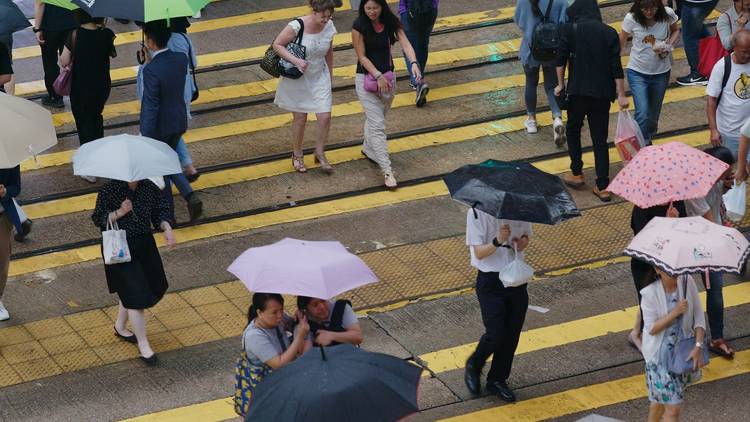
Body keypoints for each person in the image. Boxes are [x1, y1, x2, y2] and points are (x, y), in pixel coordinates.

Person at [91, 179, 175, 363]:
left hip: (145, 245)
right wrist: (120, 212)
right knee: (136, 297)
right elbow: (98, 218)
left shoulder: (148, 186)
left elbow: (160, 210)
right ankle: (144, 346)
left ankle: (120, 326)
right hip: (120, 248)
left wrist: (166, 228)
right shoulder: (110, 189)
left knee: (155, 286)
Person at [554, 0, 629, 202]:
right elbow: (616, 67)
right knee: (599, 139)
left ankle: (577, 172)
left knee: (573, 129)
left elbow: (560, 60)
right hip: (602, 94)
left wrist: (560, 85)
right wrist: (621, 94)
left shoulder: (569, 29)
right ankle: (603, 185)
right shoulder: (609, 32)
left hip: (577, 91)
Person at [352, 0, 422, 189]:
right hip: (366, 80)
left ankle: (368, 149)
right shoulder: (358, 26)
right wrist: (378, 75)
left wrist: (414, 63)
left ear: (382, 7)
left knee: (377, 118)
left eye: (375, 8)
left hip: (389, 80)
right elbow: (362, 56)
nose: (372, 12)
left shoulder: (391, 22)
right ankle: (387, 171)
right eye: (368, 8)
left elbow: (405, 44)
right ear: (363, 9)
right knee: (378, 126)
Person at [463, 209, 531, 402]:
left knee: (511, 335)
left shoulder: (521, 209)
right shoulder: (476, 213)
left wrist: (522, 243)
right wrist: (498, 240)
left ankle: (497, 380)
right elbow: (479, 253)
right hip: (490, 281)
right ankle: (474, 363)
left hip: (515, 280)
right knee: (495, 333)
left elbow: (526, 237)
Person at [140, 21, 202, 222]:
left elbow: (151, 105)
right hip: (178, 121)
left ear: (149, 41)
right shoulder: (179, 59)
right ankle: (190, 196)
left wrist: (146, 135)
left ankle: (167, 217)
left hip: (159, 127)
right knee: (169, 163)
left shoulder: (151, 71)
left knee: (162, 171)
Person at [272, 0, 337, 174]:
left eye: (329, 16)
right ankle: (297, 154)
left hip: (319, 75)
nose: (326, 20)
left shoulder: (329, 26)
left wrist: (330, 75)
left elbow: (329, 50)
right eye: (323, 16)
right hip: (297, 77)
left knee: (325, 116)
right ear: (314, 11)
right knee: (300, 118)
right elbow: (277, 45)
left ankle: (319, 151)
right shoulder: (296, 25)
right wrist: (296, 61)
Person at [684, 146, 736, 359]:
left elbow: (716, 206)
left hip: (712, 242)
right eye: (726, 172)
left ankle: (716, 337)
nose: (727, 175)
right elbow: (709, 220)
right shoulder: (694, 188)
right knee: (692, 294)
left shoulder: (713, 180)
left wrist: (724, 188)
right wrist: (727, 232)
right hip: (698, 247)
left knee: (715, 291)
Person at [641, 267, 706, 421]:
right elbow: (651, 328)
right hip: (658, 358)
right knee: (674, 408)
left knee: (659, 401)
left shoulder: (687, 281)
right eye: (667, 269)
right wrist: (675, 312)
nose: (674, 271)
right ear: (657, 270)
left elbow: (699, 317)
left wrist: (698, 346)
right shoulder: (649, 293)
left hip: (681, 354)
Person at [235, 293, 309, 417]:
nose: (280, 315)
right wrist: (300, 337)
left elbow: (292, 324)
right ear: (259, 313)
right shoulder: (254, 336)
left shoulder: (276, 320)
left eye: (282, 310)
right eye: (274, 312)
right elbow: (278, 363)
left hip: (282, 386)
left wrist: (298, 318)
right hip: (267, 394)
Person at [620, 0, 680, 146]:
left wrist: (668, 46)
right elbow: (621, 42)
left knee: (653, 116)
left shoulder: (668, 14)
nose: (648, 12)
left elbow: (675, 30)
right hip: (637, 72)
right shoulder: (631, 18)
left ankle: (646, 135)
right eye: (644, 9)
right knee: (642, 113)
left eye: (652, 8)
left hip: (661, 73)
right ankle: (642, 147)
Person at [628, 201, 686, 351]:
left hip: (670, 263)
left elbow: (685, 232)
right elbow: (645, 241)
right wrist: (667, 223)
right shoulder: (641, 208)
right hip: (645, 265)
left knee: (663, 300)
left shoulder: (677, 203)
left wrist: (676, 222)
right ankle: (646, 342)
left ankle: (636, 333)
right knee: (648, 300)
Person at [59, 10, 116, 156]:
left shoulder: (74, 34)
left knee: (83, 121)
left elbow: (64, 61)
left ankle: (88, 158)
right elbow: (112, 53)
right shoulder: (107, 34)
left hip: (80, 87)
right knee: (96, 117)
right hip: (101, 85)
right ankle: (98, 151)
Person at [514, 0, 567, 144]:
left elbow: (519, 21)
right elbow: (564, 24)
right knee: (552, 85)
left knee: (531, 83)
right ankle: (557, 118)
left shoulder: (524, 1)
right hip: (552, 51)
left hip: (530, 51)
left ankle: (531, 120)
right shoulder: (560, 1)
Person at [707, 29, 750, 162]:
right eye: (744, 51)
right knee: (728, 174)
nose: (747, 55)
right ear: (734, 48)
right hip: (729, 134)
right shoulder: (722, 67)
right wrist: (713, 130)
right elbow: (711, 100)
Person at [33, 0, 76, 108]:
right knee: (71, 61)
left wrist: (37, 28)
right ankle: (76, 92)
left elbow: (40, 3)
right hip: (72, 23)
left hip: (50, 25)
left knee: (49, 61)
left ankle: (55, 96)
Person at [399, 0, 438, 107]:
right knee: (422, 45)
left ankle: (418, 81)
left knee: (409, 47)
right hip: (430, 9)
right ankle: (418, 77)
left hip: (408, 11)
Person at [676, 0, 719, 86]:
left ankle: (698, 74)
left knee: (690, 37)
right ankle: (714, 64)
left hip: (694, 2)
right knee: (697, 28)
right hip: (708, 2)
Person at [296, 296, 363, 352]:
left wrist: (331, 335)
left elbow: (358, 337)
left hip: (349, 355)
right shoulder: (304, 321)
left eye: (323, 301)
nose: (322, 307)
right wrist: (302, 332)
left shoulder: (340, 307)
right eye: (315, 305)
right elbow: (306, 355)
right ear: (306, 310)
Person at [0, 165, 22, 321]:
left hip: (2, 217)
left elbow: (16, 186)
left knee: (2, 260)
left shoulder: (10, 157)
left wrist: (5, 191)